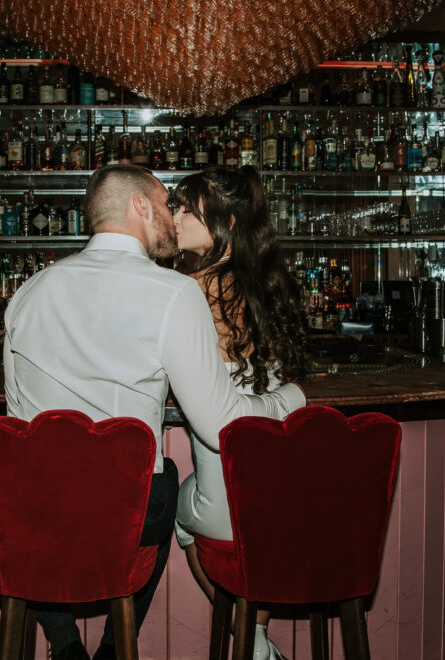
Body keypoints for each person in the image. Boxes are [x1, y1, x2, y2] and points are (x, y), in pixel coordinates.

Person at [2, 164, 307, 660]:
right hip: (128, 511)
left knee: (36, 495)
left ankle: (65, 647)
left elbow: (16, 421)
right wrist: (288, 399)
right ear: (140, 207)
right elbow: (219, 424)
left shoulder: (27, 294)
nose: (173, 214)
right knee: (159, 486)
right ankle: (111, 649)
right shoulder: (175, 292)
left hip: (38, 512)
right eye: (167, 203)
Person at [171, 166, 309, 660]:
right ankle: (257, 645)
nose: (176, 214)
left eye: (187, 207)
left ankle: (252, 643)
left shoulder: (191, 290)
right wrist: (290, 399)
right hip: (280, 493)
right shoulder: (265, 281)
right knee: (258, 547)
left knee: (179, 510)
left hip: (225, 483)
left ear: (225, 222)